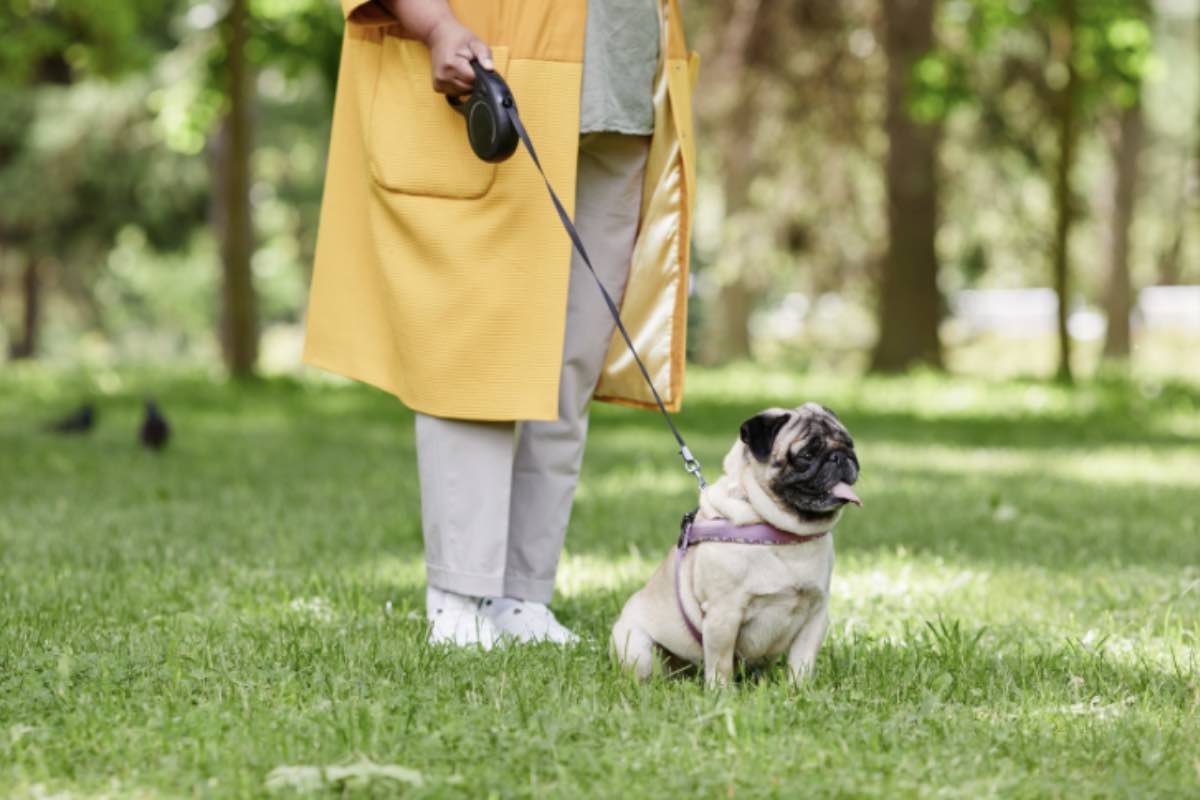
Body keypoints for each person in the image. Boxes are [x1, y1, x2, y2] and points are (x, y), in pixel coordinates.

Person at [304, 0, 697, 647]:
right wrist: (434, 24)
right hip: (494, 68)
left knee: (568, 360)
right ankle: (459, 598)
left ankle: (523, 597)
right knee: (476, 351)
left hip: (625, 87)